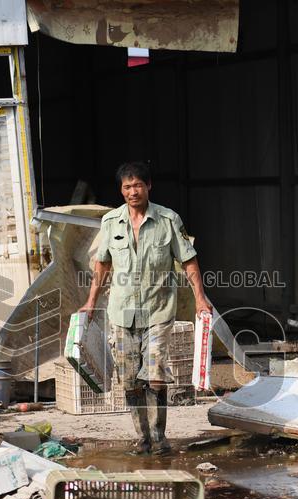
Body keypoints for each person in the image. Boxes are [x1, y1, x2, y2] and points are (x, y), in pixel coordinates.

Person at [80, 161, 212, 454]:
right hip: (122, 312)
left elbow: (188, 261)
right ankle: (142, 438)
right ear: (121, 190)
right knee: (129, 380)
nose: (132, 191)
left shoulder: (168, 220)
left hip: (158, 311)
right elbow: (102, 264)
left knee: (154, 375)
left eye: (138, 185)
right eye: (127, 186)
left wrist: (200, 299)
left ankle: (159, 436)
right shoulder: (111, 222)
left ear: (148, 186)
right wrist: (90, 302)